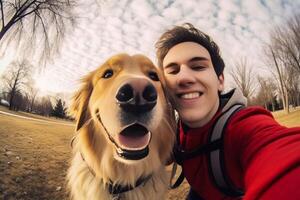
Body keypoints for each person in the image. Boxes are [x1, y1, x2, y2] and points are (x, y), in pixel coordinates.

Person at [155, 23, 300, 200]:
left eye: (198, 66)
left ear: (220, 80)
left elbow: (279, 154)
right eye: (173, 70)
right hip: (198, 192)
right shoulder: (174, 128)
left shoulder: (243, 126)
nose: (184, 77)